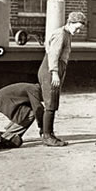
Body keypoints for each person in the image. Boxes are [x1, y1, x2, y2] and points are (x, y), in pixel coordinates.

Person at [38, 11, 87, 147]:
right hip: (51, 69)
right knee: (50, 104)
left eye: (80, 29)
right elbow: (53, 54)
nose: (77, 31)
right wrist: (54, 72)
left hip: (57, 68)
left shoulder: (67, 34)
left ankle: (49, 133)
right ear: (69, 23)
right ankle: (47, 136)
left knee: (53, 102)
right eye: (76, 28)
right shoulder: (61, 34)